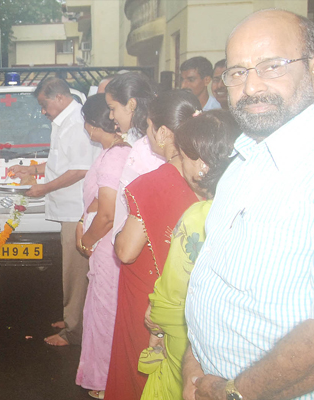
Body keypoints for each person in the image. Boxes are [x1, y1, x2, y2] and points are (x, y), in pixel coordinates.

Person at [184, 10, 314, 400]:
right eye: (237, 72)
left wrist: (235, 392)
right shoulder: (242, 160)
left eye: (272, 66)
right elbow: (217, 279)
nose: (251, 86)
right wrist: (194, 362)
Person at [104, 90, 201, 400]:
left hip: (148, 296)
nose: (145, 135)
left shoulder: (151, 184)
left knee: (142, 371)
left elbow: (126, 251)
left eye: (147, 127)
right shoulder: (207, 175)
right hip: (191, 292)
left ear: (162, 133)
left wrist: (120, 230)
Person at [139, 110, 240, 400]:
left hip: (189, 339)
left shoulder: (199, 217)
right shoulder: (247, 209)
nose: (179, 166)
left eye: (182, 157)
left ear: (203, 165)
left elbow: (176, 287)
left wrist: (156, 325)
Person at [10, 77, 100, 347]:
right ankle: (72, 316)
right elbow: (63, 162)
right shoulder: (64, 121)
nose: (43, 111)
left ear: (59, 98)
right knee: (74, 271)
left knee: (75, 272)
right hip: (68, 207)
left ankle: (73, 331)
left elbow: (80, 169)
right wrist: (34, 170)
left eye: (44, 104)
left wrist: (44, 187)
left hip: (76, 209)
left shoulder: (75, 124)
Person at [74, 95, 131, 395]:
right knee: (100, 311)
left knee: (105, 314)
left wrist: (86, 238)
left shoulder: (114, 156)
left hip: (107, 245)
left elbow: (108, 214)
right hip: (104, 243)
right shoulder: (114, 152)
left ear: (93, 125)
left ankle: (107, 383)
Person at [105, 73, 163, 243]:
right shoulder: (146, 139)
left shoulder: (144, 146)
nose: (110, 116)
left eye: (112, 108)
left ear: (131, 104)